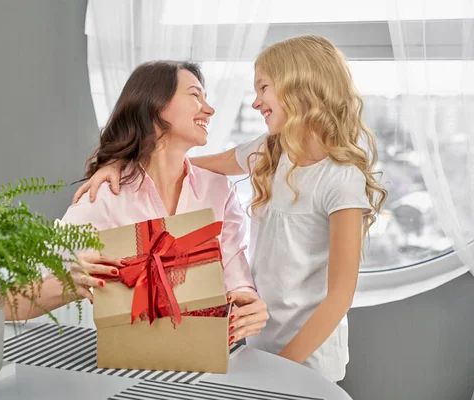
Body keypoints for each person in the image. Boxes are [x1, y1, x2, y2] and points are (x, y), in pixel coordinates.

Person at [72, 35, 388, 382]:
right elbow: (192, 164)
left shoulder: (341, 180)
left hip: (309, 357)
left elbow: (339, 297)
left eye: (263, 87)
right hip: (259, 341)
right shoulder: (271, 151)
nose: (255, 103)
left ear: (299, 84)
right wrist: (120, 163)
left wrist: (285, 367)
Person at [5, 60, 269, 346]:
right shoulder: (106, 196)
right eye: (195, 95)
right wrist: (71, 283)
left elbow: (236, 277)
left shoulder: (219, 190)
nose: (209, 109)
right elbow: (15, 301)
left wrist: (250, 304)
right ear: (155, 105)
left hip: (209, 359)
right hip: (130, 365)